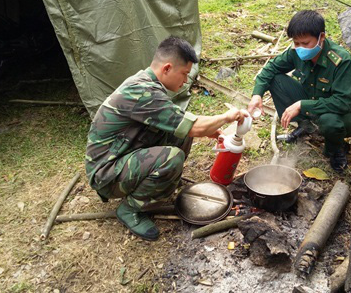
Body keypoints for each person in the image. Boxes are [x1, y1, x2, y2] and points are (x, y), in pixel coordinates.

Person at [85, 36, 248, 241]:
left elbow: (182, 124)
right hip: (106, 173)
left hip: (123, 153)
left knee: (181, 134)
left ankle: (158, 182)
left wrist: (205, 129)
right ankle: (131, 209)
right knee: (172, 157)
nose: (185, 81)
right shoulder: (142, 92)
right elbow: (194, 126)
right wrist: (226, 117)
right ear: (167, 68)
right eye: (184, 74)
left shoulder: (146, 82)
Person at [247, 10, 351, 172]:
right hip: (314, 103)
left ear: (321, 37)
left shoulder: (340, 60)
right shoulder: (296, 53)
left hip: (346, 116)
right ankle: (306, 125)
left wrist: (302, 105)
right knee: (276, 79)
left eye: (305, 43)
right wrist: (257, 95)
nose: (300, 48)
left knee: (329, 121)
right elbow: (271, 68)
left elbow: (342, 103)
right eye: (296, 43)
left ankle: (336, 149)